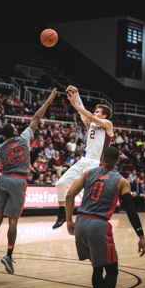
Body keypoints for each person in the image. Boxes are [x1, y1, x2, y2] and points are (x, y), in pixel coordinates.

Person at [0, 88, 57, 275]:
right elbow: (36, 117)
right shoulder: (24, 138)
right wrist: (49, 100)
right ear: (15, 131)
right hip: (18, 182)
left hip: (3, 180)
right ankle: (8, 254)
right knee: (13, 222)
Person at [65, 146, 145, 288]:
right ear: (118, 160)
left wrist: (69, 220)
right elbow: (131, 210)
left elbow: (69, 195)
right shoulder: (122, 181)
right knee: (112, 271)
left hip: (81, 222)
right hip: (99, 225)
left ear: (102, 157)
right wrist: (141, 235)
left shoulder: (88, 173)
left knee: (97, 268)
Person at [52, 85, 114, 229]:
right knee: (60, 184)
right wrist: (77, 95)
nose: (94, 112)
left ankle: (92, 217)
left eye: (97, 111)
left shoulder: (108, 125)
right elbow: (85, 116)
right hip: (85, 160)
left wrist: (75, 105)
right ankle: (62, 212)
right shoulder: (91, 125)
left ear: (103, 115)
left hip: (96, 163)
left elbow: (89, 116)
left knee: (88, 193)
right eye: (95, 110)